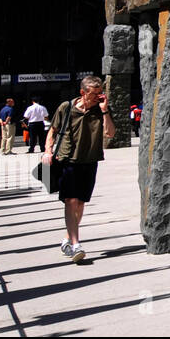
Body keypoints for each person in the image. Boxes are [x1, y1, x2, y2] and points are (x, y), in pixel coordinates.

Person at [42, 76, 116, 263]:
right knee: (71, 200)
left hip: (90, 160)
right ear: (83, 93)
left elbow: (110, 133)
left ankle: (67, 239)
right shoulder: (66, 107)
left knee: (81, 203)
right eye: (94, 94)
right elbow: (53, 130)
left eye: (100, 93)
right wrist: (47, 151)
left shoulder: (101, 109)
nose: (98, 97)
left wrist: (105, 111)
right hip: (68, 159)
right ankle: (76, 245)